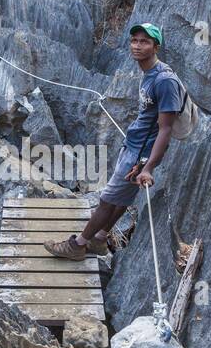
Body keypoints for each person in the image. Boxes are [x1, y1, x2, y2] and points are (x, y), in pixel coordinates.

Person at [44, 22, 183, 261]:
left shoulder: (164, 81)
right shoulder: (150, 73)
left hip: (140, 153)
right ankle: (99, 239)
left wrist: (147, 166)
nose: (137, 46)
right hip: (135, 146)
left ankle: (77, 246)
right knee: (123, 197)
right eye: (134, 41)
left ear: (156, 46)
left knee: (107, 200)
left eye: (145, 42)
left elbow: (166, 129)